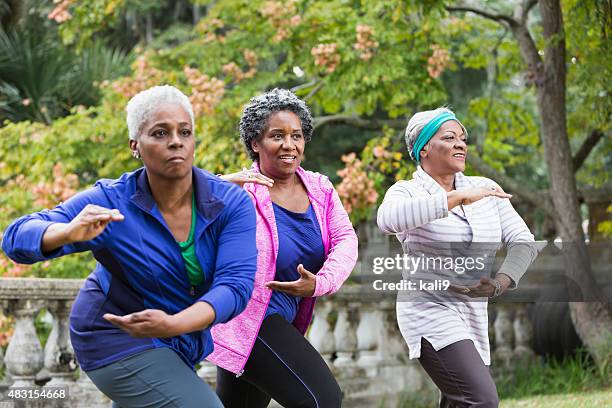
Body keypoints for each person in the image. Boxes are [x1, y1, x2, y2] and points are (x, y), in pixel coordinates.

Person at [1, 85, 257, 408]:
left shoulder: (230, 203)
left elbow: (235, 287)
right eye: (160, 133)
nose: (176, 141)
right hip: (111, 337)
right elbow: (15, 236)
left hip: (176, 339)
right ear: (135, 146)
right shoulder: (112, 201)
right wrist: (65, 233)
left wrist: (175, 324)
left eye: (185, 131)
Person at [377, 107, 538, 408]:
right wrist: (457, 198)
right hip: (427, 308)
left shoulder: (486, 189)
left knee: (460, 401)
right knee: (481, 399)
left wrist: (501, 282)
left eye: (463, 138)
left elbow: (523, 241)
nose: (461, 144)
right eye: (449, 137)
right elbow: (387, 220)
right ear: (424, 148)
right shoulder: (407, 192)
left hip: (472, 312)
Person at [206, 88, 358, 408]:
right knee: (322, 399)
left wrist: (320, 282)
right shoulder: (238, 190)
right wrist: (219, 184)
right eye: (277, 135)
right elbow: (181, 206)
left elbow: (345, 239)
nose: (289, 145)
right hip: (247, 317)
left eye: (297, 136)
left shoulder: (320, 188)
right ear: (255, 143)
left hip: (284, 317)